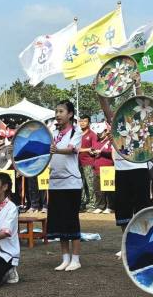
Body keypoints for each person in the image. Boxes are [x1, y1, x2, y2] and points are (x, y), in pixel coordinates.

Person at [99, 90, 150, 258]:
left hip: (140, 169)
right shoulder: (116, 124)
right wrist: (100, 92)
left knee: (141, 210)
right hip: (121, 171)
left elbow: (143, 101)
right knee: (123, 210)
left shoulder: (143, 123)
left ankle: (142, 245)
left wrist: (137, 84)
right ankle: (127, 245)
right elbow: (106, 109)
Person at [48, 100, 83, 271]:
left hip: (71, 184)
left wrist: (56, 150)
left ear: (70, 114)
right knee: (60, 222)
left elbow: (71, 150)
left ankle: (76, 259)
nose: (58, 114)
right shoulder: (53, 132)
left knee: (71, 221)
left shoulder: (77, 131)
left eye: (61, 111)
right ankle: (65, 258)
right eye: (56, 111)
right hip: (55, 183)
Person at [90, 124, 113, 214]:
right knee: (98, 188)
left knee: (108, 189)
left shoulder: (110, 141)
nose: (99, 134)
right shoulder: (97, 141)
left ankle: (110, 206)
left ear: (105, 131)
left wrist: (102, 152)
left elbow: (112, 153)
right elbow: (94, 150)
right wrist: (92, 152)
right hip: (97, 168)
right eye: (98, 133)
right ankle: (100, 206)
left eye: (100, 133)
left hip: (108, 168)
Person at [77, 114, 98, 212]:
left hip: (88, 163)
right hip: (77, 163)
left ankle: (92, 204)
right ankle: (82, 203)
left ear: (89, 122)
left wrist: (80, 150)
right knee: (81, 184)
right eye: (81, 121)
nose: (82, 123)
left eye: (84, 121)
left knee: (90, 184)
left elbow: (94, 149)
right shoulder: (77, 134)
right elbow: (74, 148)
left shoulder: (92, 134)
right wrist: (85, 149)